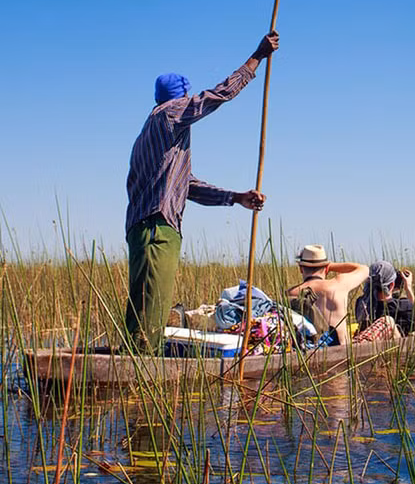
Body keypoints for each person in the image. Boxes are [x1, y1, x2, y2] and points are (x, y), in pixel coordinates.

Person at [124, 30, 279, 353]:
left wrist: (235, 198)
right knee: (151, 306)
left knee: (144, 305)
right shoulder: (170, 114)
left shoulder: (154, 132)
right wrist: (257, 57)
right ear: (179, 99)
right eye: (187, 99)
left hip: (145, 227)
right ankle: (142, 365)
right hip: (156, 228)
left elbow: (188, 186)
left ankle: (135, 357)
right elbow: (218, 96)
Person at [287, 244, 369, 346]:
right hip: (342, 349)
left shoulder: (290, 293)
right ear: (326, 269)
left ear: (301, 269)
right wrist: (331, 266)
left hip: (309, 350)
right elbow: (364, 270)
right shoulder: (338, 285)